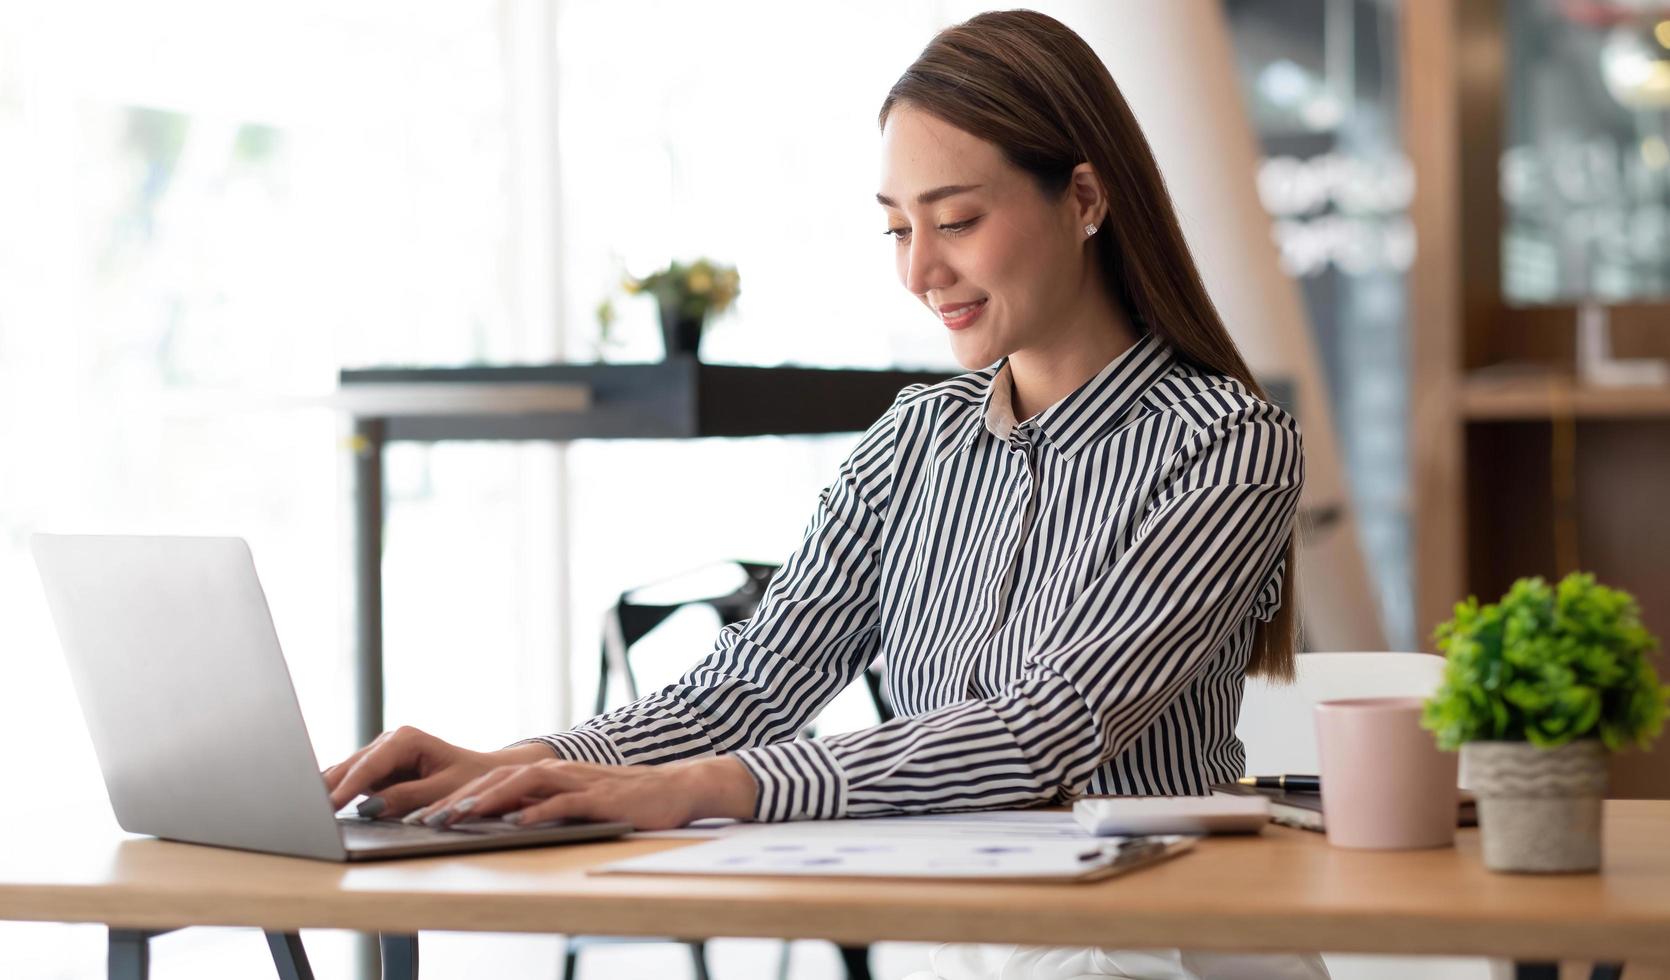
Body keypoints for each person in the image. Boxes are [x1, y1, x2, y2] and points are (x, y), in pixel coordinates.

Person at [325, 9, 1327, 979]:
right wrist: (517, 762)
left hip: (1158, 945)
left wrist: (711, 787)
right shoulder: (913, 441)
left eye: (957, 220)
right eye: (896, 228)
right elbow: (753, 684)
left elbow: (1045, 727)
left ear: (1083, 198)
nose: (921, 270)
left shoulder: (1223, 444)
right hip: (975, 941)